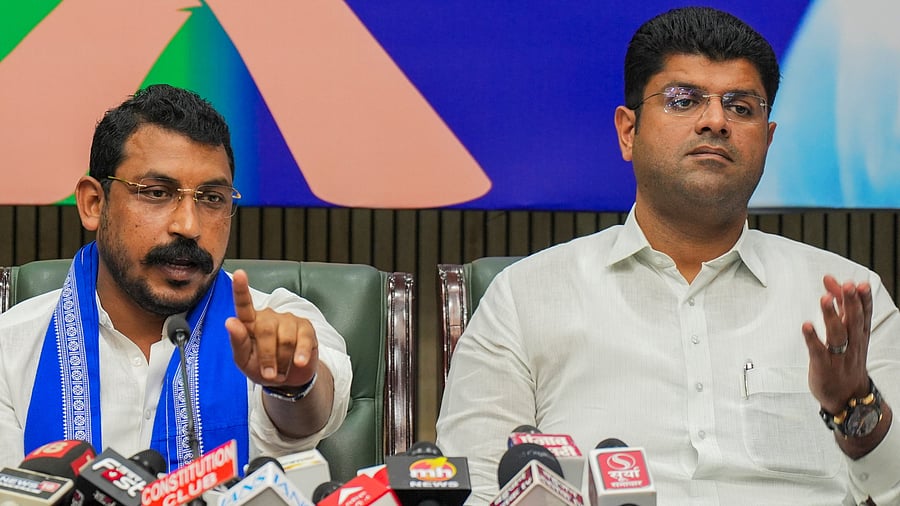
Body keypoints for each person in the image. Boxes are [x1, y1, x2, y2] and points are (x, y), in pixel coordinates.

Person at [436, 7, 900, 505]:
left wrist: (853, 405)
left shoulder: (847, 299)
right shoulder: (525, 296)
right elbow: (476, 486)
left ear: (767, 141)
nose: (716, 121)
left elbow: (892, 487)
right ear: (628, 132)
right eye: (683, 101)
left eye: (742, 107)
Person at [0, 84, 352, 470]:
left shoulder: (278, 322)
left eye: (212, 198)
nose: (189, 225)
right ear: (94, 204)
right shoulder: (11, 346)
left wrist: (290, 383)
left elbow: (310, 417)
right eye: (156, 192)